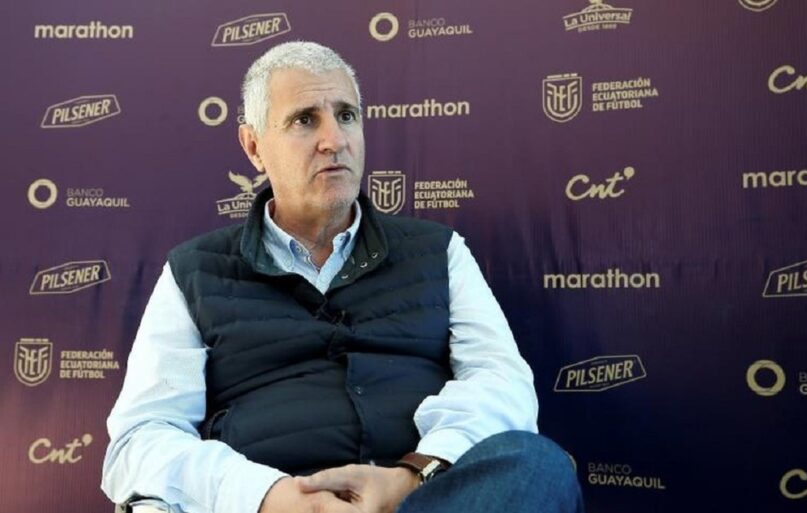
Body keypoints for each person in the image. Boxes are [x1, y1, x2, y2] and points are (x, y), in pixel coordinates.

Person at [101, 41, 582, 513]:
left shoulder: (439, 251)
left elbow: (502, 382)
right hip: (267, 501)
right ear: (253, 146)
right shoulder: (194, 271)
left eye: (347, 115)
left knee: (537, 466)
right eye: (304, 120)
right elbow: (140, 437)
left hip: (419, 500)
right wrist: (266, 496)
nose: (335, 140)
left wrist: (413, 476)